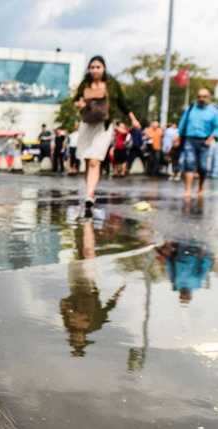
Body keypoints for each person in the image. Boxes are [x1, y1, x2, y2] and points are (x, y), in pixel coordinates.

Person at [74, 55, 140, 216]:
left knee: (95, 161)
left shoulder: (112, 84)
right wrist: (80, 103)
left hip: (104, 125)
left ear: (103, 68)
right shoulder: (85, 83)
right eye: (92, 67)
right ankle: (90, 191)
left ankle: (89, 195)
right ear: (89, 69)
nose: (95, 69)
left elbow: (123, 103)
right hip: (87, 124)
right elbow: (76, 100)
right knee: (88, 160)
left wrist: (133, 118)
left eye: (98, 67)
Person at [59, 220, 125, 356]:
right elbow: (107, 308)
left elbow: (63, 302)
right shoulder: (95, 324)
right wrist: (118, 293)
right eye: (79, 342)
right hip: (90, 286)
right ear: (85, 340)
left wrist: (71, 311)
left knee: (77, 255)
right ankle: (87, 227)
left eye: (74, 341)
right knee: (88, 254)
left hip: (76, 285)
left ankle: (79, 227)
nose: (77, 338)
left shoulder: (67, 323)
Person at [176, 88, 218, 198]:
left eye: (204, 96)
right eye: (199, 96)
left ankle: (200, 186)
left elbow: (217, 127)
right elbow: (182, 123)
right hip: (189, 140)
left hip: (205, 141)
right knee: (189, 163)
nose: (201, 99)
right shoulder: (190, 108)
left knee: (203, 167)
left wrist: (211, 137)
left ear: (209, 97)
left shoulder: (213, 111)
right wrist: (178, 136)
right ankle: (188, 190)